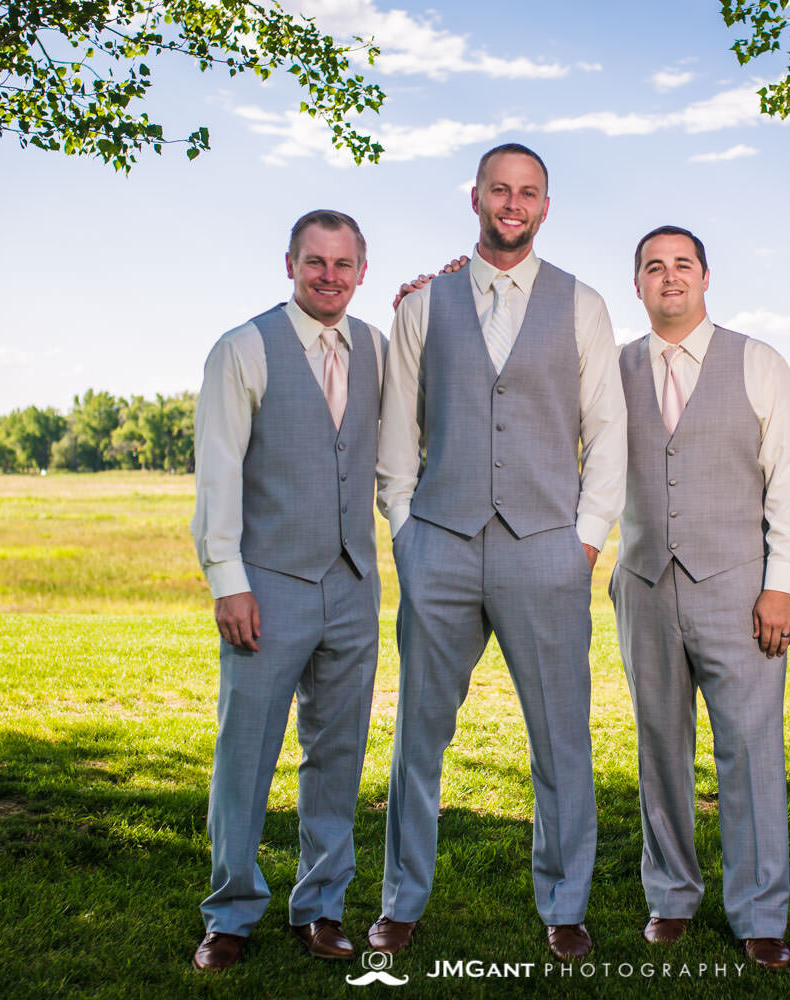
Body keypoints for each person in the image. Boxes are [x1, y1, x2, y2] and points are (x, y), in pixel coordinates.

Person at [370, 142, 627, 961]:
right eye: (499, 189)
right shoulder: (425, 303)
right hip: (439, 547)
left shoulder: (582, 304)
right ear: (475, 196)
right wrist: (406, 534)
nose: (513, 203)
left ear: (545, 207)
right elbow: (397, 433)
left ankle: (566, 905)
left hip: (547, 550)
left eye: (529, 193)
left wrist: (584, 543)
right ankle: (401, 899)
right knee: (417, 736)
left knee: (561, 740)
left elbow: (608, 432)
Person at [189, 210, 385, 971]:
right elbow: (218, 470)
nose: (329, 276)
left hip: (353, 586)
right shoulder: (244, 348)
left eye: (343, 264)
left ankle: (322, 905)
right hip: (266, 584)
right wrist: (228, 582)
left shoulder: (376, 346)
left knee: (336, 754)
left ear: (362, 270)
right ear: (290, 263)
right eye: (315, 262)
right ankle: (230, 913)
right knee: (247, 752)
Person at [612, 226, 790, 970]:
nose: (669, 278)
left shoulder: (758, 362)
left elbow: (785, 482)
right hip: (644, 586)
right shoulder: (612, 368)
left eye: (682, 265)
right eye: (654, 267)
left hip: (740, 589)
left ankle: (760, 911)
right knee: (660, 744)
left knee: (751, 751)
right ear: (637, 284)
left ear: (706, 277)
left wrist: (779, 585)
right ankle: (670, 896)